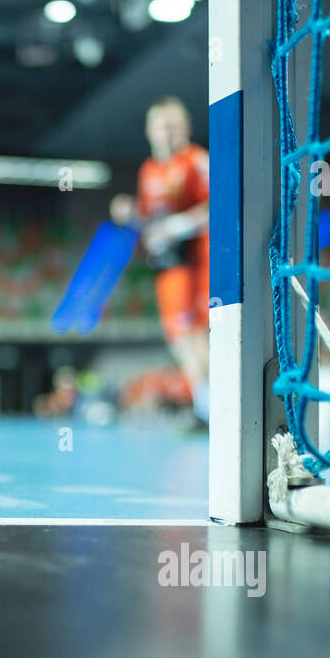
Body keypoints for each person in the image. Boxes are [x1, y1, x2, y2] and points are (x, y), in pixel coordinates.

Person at [134, 96, 210, 424]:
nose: (169, 133)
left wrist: (177, 226)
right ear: (150, 130)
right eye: (163, 126)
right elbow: (150, 217)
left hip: (199, 262)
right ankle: (204, 407)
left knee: (200, 336)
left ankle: (213, 409)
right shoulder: (149, 170)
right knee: (180, 340)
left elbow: (216, 205)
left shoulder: (196, 160)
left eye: (175, 126)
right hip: (169, 268)